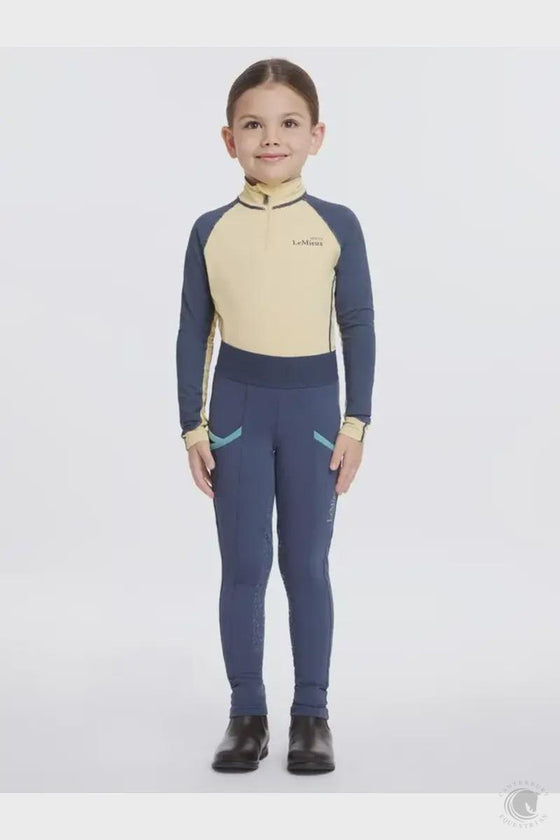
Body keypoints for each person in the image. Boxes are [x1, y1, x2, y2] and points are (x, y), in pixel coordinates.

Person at [176, 57, 376, 774]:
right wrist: (192, 427)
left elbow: (358, 325)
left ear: (315, 135)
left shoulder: (337, 225)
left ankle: (311, 715)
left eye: (289, 123)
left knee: (306, 566)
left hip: (314, 415)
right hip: (236, 413)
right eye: (253, 124)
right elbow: (193, 331)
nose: (271, 138)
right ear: (228, 138)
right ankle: (246, 714)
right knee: (244, 567)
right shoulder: (210, 230)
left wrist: (355, 425)